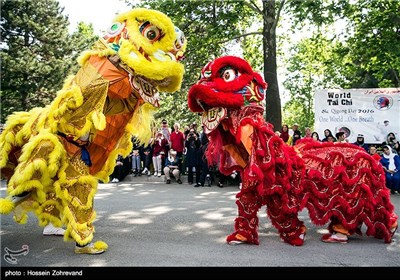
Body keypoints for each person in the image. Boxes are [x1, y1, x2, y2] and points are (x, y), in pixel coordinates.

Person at [0, 8, 186, 254]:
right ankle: (79, 238)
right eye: (150, 35)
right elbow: (88, 88)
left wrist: (135, 98)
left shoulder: (109, 88)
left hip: (76, 150)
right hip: (58, 141)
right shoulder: (97, 68)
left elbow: (117, 105)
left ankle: (77, 236)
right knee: (37, 183)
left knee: (77, 190)